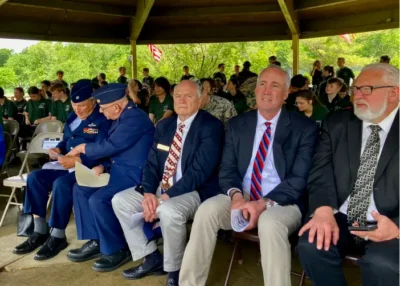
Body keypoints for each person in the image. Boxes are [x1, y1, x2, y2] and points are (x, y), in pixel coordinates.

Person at [179, 65, 319, 286]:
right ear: (255, 91)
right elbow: (227, 169)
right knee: (206, 211)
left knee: (270, 224)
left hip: (282, 201)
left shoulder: (305, 128)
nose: (266, 90)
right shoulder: (238, 125)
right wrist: (236, 197)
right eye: (262, 84)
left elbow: (299, 180)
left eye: (275, 86)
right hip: (242, 194)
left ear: (285, 94)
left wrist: (262, 204)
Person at [112, 80, 224, 285]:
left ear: (200, 101)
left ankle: (175, 269)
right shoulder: (164, 125)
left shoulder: (211, 126)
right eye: (178, 95)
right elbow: (152, 163)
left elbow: (199, 172)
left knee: (169, 211)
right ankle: (151, 256)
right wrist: (147, 193)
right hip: (161, 187)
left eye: (188, 96)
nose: (182, 100)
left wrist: (161, 199)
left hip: (194, 189)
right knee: (121, 200)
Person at [297, 63, 400, 286]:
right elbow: (320, 170)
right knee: (311, 245)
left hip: (391, 220)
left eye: (367, 89)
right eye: (355, 89)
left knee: (382, 264)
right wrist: (323, 209)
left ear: (394, 92)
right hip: (341, 214)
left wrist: (398, 228)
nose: (358, 95)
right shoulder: (337, 122)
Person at [13, 79, 111, 260]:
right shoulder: (73, 118)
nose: (77, 109)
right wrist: (58, 148)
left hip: (89, 168)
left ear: (93, 101)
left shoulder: (103, 119)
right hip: (64, 164)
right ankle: (39, 230)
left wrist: (77, 160)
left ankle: (57, 235)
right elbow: (66, 141)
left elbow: (105, 150)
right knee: (35, 177)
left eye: (82, 105)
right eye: (74, 105)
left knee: (61, 184)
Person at [66, 83, 155, 272]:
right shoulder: (122, 116)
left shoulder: (134, 118)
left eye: (103, 108)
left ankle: (117, 248)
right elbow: (118, 152)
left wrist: (82, 148)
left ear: (116, 107)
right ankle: (97, 239)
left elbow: (112, 145)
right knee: (81, 189)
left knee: (99, 199)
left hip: (135, 176)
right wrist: (102, 165)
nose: (101, 112)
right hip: (117, 172)